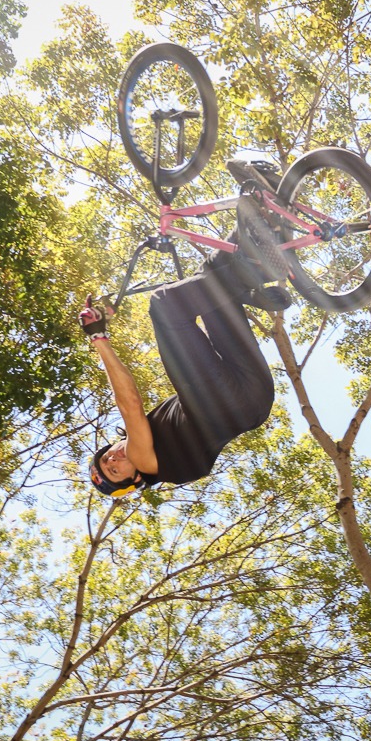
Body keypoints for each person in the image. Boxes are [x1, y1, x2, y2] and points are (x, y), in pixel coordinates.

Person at [82, 167, 290, 498]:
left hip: (252, 395)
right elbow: (130, 404)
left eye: (105, 457)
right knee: (165, 306)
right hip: (225, 404)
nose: (114, 459)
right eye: (114, 470)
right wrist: (98, 339)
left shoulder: (160, 444)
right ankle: (249, 279)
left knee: (209, 278)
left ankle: (264, 206)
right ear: (134, 480)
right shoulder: (148, 462)